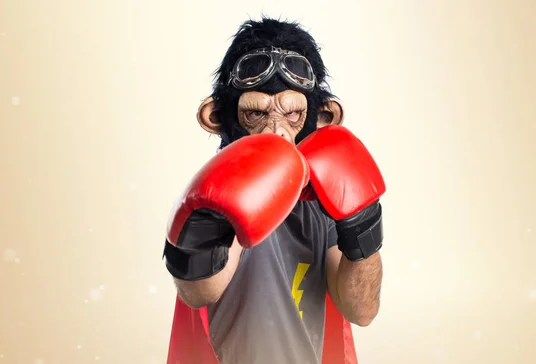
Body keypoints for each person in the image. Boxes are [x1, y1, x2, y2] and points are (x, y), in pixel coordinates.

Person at [162, 17, 387, 364]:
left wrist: (363, 228)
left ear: (323, 118)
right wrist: (208, 226)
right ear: (218, 117)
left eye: (293, 113)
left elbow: (362, 310)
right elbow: (201, 292)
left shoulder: (323, 202)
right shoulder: (218, 195)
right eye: (255, 113)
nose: (276, 131)